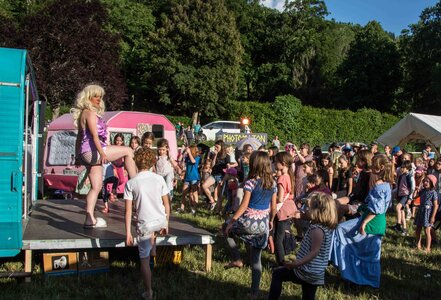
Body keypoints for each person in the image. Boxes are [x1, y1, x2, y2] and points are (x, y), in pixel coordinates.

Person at [72, 84, 136, 228]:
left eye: (100, 97)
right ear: (88, 97)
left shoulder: (83, 114)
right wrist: (102, 153)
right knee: (128, 150)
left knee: (96, 187)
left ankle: (89, 220)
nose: (99, 99)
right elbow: (95, 137)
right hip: (93, 151)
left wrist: (77, 156)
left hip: (85, 153)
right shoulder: (90, 113)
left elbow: (79, 137)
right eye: (96, 96)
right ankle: (136, 183)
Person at [331, 154, 393, 288]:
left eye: (374, 165)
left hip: (372, 222)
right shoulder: (386, 185)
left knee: (365, 251)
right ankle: (358, 277)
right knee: (366, 251)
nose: (371, 166)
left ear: (381, 167)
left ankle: (361, 278)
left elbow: (377, 209)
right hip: (374, 220)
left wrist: (364, 222)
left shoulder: (379, 186)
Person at [223, 151, 277, 299]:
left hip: (248, 222)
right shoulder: (273, 183)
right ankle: (254, 292)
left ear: (254, 164)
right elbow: (274, 208)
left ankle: (237, 259)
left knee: (226, 228)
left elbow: (244, 205)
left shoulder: (251, 183)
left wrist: (232, 221)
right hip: (263, 225)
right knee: (256, 259)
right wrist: (271, 221)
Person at [268, 192, 338, 300]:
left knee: (278, 274)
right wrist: (299, 215)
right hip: (316, 273)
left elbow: (314, 252)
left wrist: (296, 264)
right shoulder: (324, 227)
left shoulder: (317, 230)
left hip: (306, 271)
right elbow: (306, 215)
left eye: (308, 208)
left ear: (317, 212)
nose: (305, 210)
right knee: (308, 295)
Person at [124, 147, 170, 300]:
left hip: (146, 225)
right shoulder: (159, 179)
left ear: (136, 162)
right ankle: (154, 248)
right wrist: (166, 223)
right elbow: (167, 204)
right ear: (152, 163)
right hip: (160, 220)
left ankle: (148, 292)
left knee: (143, 260)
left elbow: (128, 211)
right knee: (153, 230)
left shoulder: (131, 183)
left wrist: (128, 233)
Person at [273, 151, 296, 266]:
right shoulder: (289, 176)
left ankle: (281, 263)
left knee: (278, 238)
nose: (274, 163)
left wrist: (271, 198)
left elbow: (280, 198)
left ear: (282, 163)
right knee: (281, 235)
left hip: (283, 210)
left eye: (276, 162)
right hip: (290, 208)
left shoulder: (281, 178)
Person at [101, 133, 127, 214]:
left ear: (122, 141)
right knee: (114, 179)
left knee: (122, 180)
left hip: (119, 166)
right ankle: (111, 193)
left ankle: (112, 191)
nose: (118, 142)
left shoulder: (123, 148)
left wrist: (125, 168)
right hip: (113, 165)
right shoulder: (113, 147)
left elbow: (125, 159)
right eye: (117, 140)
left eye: (120, 141)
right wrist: (113, 168)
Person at [415, 174, 439, 252]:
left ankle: (428, 248)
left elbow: (436, 206)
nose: (425, 183)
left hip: (428, 213)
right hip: (421, 211)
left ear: (432, 183)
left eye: (427, 181)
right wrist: (416, 190)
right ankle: (418, 245)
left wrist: (433, 217)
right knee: (418, 229)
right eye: (424, 181)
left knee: (427, 230)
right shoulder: (422, 191)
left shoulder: (433, 193)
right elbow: (415, 197)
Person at [391, 160, 414, 236]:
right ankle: (404, 228)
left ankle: (398, 224)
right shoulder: (401, 176)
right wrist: (392, 192)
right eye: (401, 167)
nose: (402, 169)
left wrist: (410, 198)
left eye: (403, 168)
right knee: (401, 211)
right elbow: (398, 186)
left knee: (398, 207)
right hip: (400, 195)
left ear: (408, 168)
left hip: (405, 195)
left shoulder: (409, 176)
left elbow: (412, 188)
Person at [177, 145, 201, 215]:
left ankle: (194, 209)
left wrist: (189, 153)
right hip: (187, 177)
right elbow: (179, 160)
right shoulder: (187, 157)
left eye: (190, 149)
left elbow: (193, 162)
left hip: (194, 177)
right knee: (183, 193)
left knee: (194, 193)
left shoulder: (197, 157)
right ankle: (182, 208)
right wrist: (183, 152)